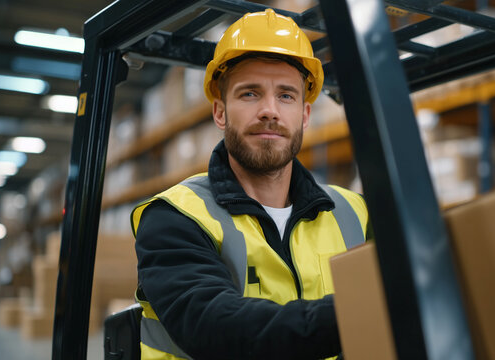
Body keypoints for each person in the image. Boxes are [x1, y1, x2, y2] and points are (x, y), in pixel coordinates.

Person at [131, 9, 369, 360]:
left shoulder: (355, 212)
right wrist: (360, 314)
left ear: (304, 115)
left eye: (286, 95)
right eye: (250, 94)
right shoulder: (174, 217)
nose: (270, 110)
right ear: (220, 112)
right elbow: (213, 325)